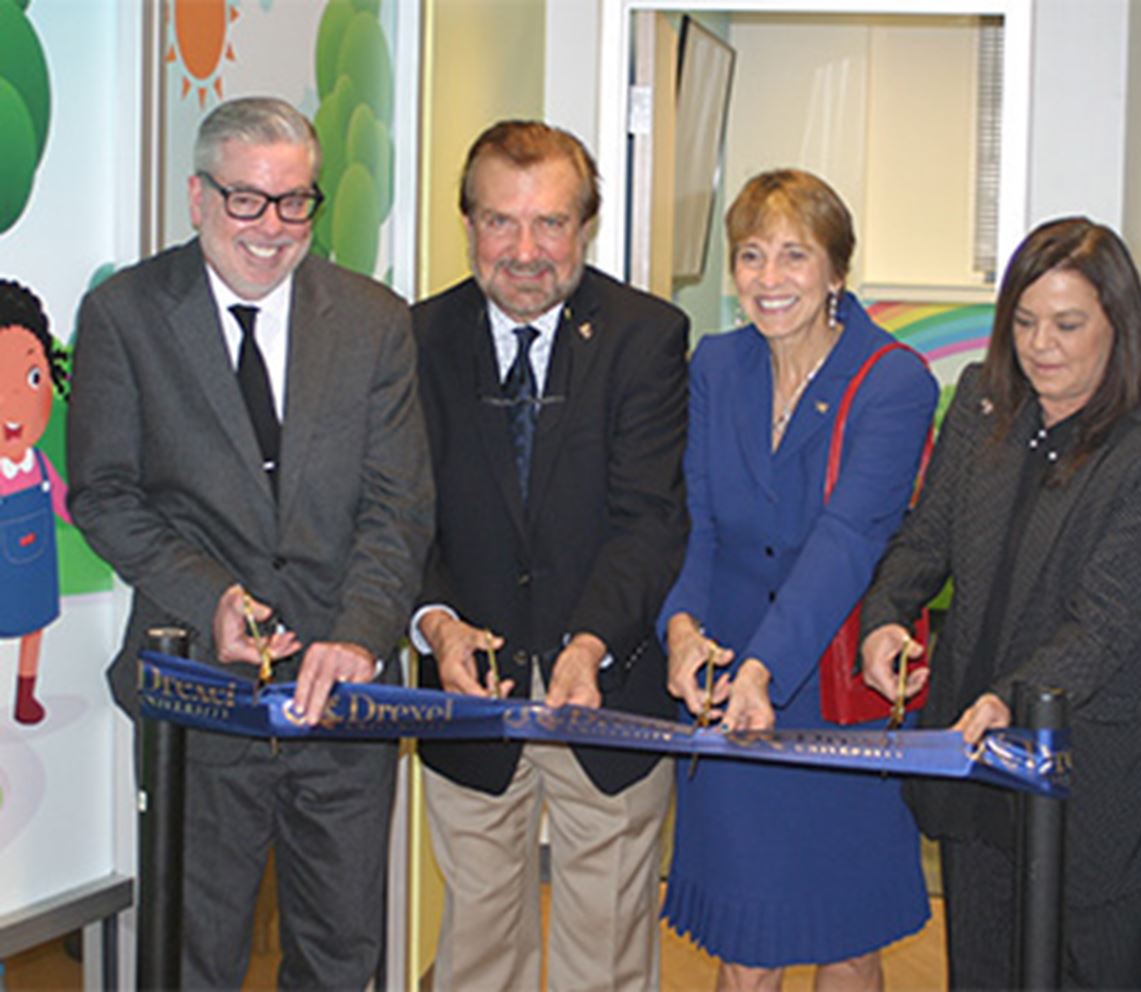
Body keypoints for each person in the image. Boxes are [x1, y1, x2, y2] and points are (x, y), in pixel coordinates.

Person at [66, 96, 433, 989]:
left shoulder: (376, 321)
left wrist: (357, 637)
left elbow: (399, 506)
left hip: (343, 704)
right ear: (198, 198)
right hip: (198, 693)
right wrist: (213, 598)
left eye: (296, 201)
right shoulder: (125, 315)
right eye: (247, 201)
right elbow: (104, 496)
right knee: (194, 956)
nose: (273, 228)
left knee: (342, 958)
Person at [860, 217, 1141, 990]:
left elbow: (1104, 626)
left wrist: (1008, 699)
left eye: (1068, 324)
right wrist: (886, 615)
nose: (1042, 344)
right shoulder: (984, 402)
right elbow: (927, 536)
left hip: (1096, 785)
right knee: (980, 969)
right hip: (979, 770)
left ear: (1119, 324)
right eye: (1025, 321)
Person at [409, 120, 688, 991]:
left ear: (586, 227)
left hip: (604, 692)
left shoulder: (647, 336)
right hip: (470, 701)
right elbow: (398, 516)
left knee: (601, 963)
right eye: (501, 222)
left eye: (551, 224)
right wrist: (436, 622)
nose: (526, 251)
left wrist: (587, 643)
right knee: (476, 959)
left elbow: (649, 519)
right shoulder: (412, 340)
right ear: (467, 224)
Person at [658, 168, 938, 991]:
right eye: (750, 256)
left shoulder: (894, 380)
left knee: (846, 935)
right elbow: (697, 521)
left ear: (836, 272)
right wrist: (681, 629)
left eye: (794, 256)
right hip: (726, 679)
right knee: (747, 947)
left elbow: (847, 541)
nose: (769, 279)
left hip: (831, 680)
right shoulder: (716, 365)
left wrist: (763, 669)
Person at [0, 280, 71, 725]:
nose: (14, 404)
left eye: (31, 378)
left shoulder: (40, 465)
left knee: (33, 627)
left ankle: (26, 692)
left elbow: (66, 504)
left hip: (32, 568)